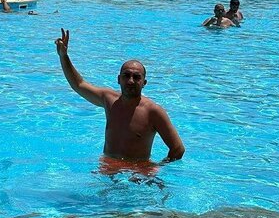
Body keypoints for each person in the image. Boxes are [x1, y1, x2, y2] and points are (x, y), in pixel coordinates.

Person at [55, 29, 185, 162]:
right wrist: (63, 56)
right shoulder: (109, 99)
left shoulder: (153, 112)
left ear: (144, 83)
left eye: (136, 77)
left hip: (137, 171)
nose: (130, 81)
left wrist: (155, 168)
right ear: (118, 79)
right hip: (109, 167)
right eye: (126, 75)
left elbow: (178, 149)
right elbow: (79, 84)